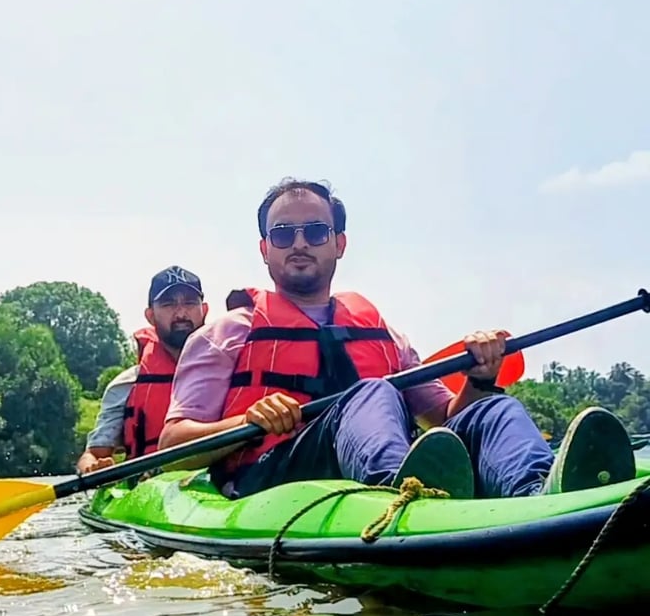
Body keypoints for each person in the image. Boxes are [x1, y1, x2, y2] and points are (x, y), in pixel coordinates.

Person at [159, 178, 635, 499]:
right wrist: (249, 419)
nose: (299, 243)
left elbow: (445, 418)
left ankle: (538, 494)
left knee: (493, 408)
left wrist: (480, 377)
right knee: (370, 392)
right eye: (283, 234)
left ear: (338, 243)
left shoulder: (383, 334)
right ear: (265, 250)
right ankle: (403, 498)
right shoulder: (224, 334)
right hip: (273, 479)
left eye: (315, 231)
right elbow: (172, 444)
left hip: (380, 462)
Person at [76, 266, 208, 474]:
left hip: (216, 486)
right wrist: (92, 468)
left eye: (190, 303)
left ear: (205, 310)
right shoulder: (126, 385)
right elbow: (93, 454)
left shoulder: (231, 372)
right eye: (168, 304)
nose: (181, 313)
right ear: (150, 316)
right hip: (149, 489)